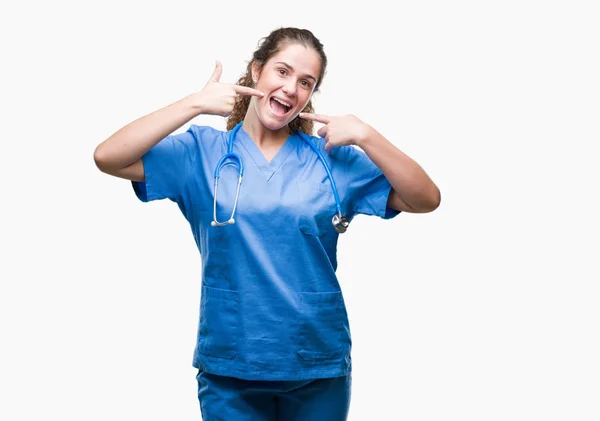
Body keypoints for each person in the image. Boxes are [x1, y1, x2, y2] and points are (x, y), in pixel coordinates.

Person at [94, 26, 440, 421]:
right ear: (256, 70)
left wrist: (367, 136)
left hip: (315, 364)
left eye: (306, 82)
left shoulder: (331, 160)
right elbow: (109, 157)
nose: (292, 88)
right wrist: (193, 104)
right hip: (231, 365)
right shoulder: (201, 153)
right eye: (282, 71)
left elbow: (425, 199)